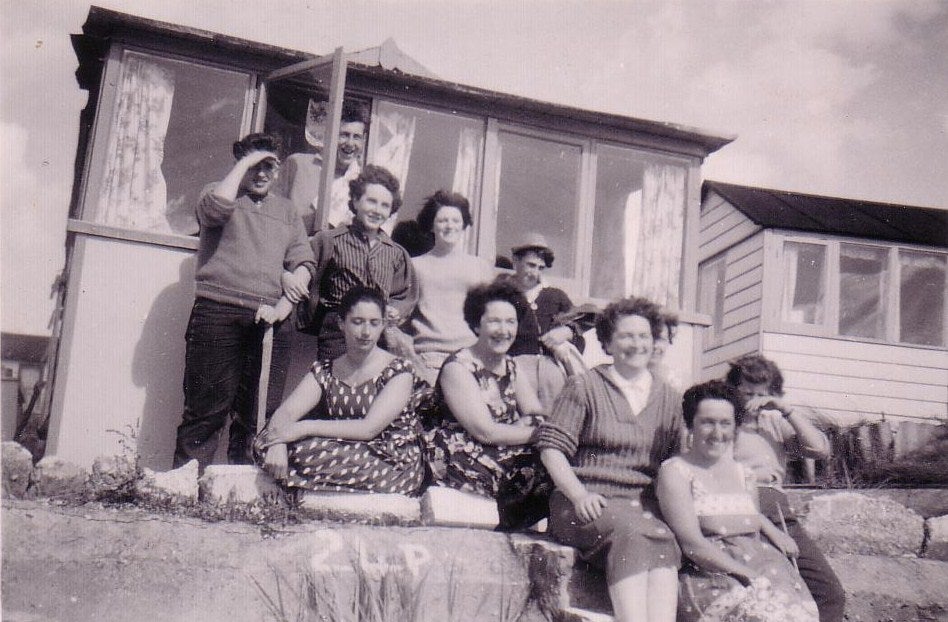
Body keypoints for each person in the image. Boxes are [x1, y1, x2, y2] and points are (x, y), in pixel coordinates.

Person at [536, 297, 685, 622]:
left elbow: (677, 465)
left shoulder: (671, 399)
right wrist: (578, 494)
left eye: (643, 336)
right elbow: (552, 449)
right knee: (632, 534)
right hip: (583, 502)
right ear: (607, 342)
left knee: (664, 539)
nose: (637, 344)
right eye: (626, 336)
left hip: (641, 507)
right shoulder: (584, 386)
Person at [173, 133, 316, 470]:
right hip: (217, 310)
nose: (262, 173)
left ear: (279, 170)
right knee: (206, 407)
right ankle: (182, 489)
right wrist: (246, 164)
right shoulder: (218, 191)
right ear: (241, 164)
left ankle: (239, 491)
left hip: (270, 319)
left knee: (257, 411)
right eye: (255, 165)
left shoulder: (287, 211)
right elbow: (214, 212)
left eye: (269, 166)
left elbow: (304, 259)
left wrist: (297, 281)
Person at [656, 380, 819, 622]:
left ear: (735, 428)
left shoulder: (745, 475)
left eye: (725, 423)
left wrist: (773, 531)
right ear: (691, 425)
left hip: (762, 567)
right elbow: (693, 544)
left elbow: (748, 516)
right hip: (711, 575)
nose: (717, 433)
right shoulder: (676, 471)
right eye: (707, 422)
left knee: (801, 615)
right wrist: (747, 574)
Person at [255, 287, 426, 495]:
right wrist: (278, 443)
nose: (366, 332)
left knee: (299, 447)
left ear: (383, 325)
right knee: (265, 440)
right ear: (341, 323)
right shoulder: (326, 369)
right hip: (344, 451)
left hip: (389, 460)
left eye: (374, 323)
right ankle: (323, 482)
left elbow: (368, 429)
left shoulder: (399, 370)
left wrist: (302, 428)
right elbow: (286, 413)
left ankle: (304, 482)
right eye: (357, 321)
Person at [725, 354, 845, 622]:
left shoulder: (773, 424)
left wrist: (784, 410)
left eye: (762, 394)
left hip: (779, 513)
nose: (754, 401)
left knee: (829, 591)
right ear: (733, 391)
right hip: (737, 512)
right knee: (758, 595)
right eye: (747, 393)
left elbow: (819, 449)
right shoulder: (723, 424)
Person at [426, 280, 551, 530]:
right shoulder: (459, 367)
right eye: (494, 321)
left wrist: (527, 428)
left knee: (555, 463)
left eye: (510, 322)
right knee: (543, 465)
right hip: (464, 456)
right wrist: (535, 432)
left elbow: (536, 414)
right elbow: (485, 431)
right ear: (476, 324)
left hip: (504, 448)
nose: (503, 330)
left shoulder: (512, 366)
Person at [301, 164, 418, 361]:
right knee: (335, 385)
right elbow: (309, 279)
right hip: (337, 332)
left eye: (385, 205)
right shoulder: (329, 240)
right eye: (371, 201)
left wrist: (394, 310)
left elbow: (403, 296)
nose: (377, 210)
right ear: (355, 201)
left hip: (377, 333)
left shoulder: (396, 253)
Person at [394, 190, 495, 384]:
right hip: (428, 356)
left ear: (464, 225)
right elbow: (401, 312)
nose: (450, 226)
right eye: (443, 221)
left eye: (456, 221)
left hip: (471, 355)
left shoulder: (479, 266)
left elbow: (491, 313)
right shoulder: (415, 265)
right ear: (431, 225)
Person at [497, 233, 590, 408]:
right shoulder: (502, 294)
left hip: (552, 371)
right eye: (531, 265)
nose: (535, 273)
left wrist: (567, 331)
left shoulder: (555, 296)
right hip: (516, 369)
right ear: (515, 261)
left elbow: (580, 328)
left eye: (540, 268)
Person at [275, 100, 370, 235]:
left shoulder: (363, 182)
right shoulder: (298, 164)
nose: (350, 143)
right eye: (343, 135)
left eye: (356, 137)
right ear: (330, 134)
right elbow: (272, 214)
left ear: (364, 140)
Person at [649, 311, 685, 392]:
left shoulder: (675, 381)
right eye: (651, 338)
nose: (655, 345)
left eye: (661, 339)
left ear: (669, 340)